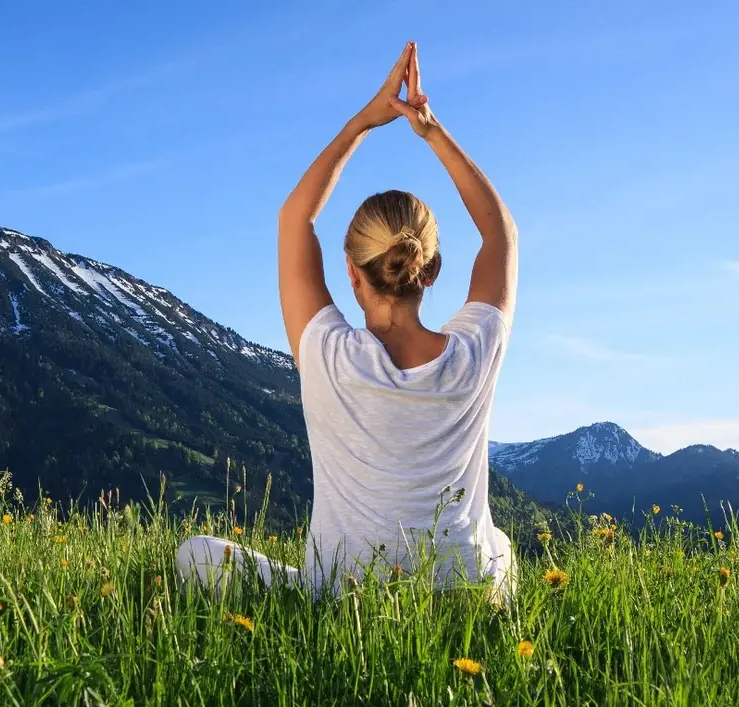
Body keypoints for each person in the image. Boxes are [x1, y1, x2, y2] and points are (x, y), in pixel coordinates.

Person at [176, 41, 520, 599]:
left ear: (351, 273)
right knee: (499, 544)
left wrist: (366, 119)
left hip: (344, 599)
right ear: (429, 272)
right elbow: (501, 233)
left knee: (196, 556)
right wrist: (429, 129)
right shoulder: (475, 351)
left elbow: (295, 217)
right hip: (465, 597)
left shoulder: (326, 355)